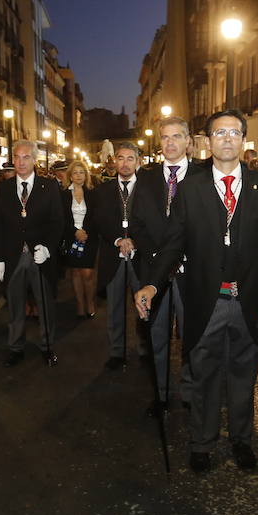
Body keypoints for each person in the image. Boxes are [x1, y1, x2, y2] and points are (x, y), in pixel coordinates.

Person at [135, 110, 258, 473]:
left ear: (243, 139)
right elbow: (172, 243)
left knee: (243, 375)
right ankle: (201, 443)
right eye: (220, 133)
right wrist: (153, 283)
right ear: (207, 141)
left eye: (234, 132)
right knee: (202, 375)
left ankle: (242, 440)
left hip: (249, 303)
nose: (227, 138)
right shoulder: (191, 188)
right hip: (206, 300)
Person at [133, 115, 200, 411]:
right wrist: (160, 259)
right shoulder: (145, 179)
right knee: (156, 336)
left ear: (188, 141)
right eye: (165, 137)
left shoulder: (203, 177)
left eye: (176, 136)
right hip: (153, 272)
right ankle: (160, 394)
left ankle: (190, 391)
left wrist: (183, 256)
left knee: (192, 337)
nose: (170, 143)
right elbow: (137, 225)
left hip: (192, 272)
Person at [0, 139, 65, 366]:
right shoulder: (3, 188)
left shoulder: (49, 186)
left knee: (45, 304)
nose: (20, 162)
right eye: (17, 157)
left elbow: (57, 222)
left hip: (39, 256)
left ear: (34, 160)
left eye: (26, 157)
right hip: (13, 257)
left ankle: (48, 346)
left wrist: (48, 247)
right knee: (15, 305)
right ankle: (15, 348)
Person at [96, 142, 147, 371]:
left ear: (138, 161)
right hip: (113, 256)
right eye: (120, 158)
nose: (125, 163)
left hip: (141, 257)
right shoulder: (102, 191)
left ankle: (146, 348)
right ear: (114, 161)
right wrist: (118, 240)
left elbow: (153, 222)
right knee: (114, 308)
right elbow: (100, 221)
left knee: (143, 307)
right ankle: (117, 352)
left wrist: (135, 240)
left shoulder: (149, 189)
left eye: (130, 158)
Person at [61, 159, 99, 319]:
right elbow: (62, 217)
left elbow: (96, 215)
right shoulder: (63, 194)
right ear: (70, 176)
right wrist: (75, 231)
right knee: (75, 272)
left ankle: (90, 301)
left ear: (86, 175)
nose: (78, 176)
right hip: (71, 236)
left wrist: (84, 232)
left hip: (89, 237)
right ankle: (79, 304)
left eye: (81, 172)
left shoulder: (92, 192)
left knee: (88, 273)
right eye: (75, 173)